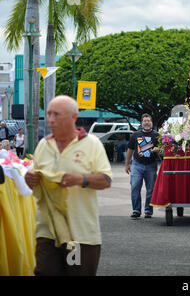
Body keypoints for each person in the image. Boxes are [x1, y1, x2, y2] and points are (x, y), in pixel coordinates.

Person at [24, 95, 112, 276]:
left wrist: (81, 179)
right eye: (48, 114)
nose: (50, 119)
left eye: (56, 114)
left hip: (79, 234)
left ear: (73, 117)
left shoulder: (92, 144)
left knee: (76, 273)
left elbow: (106, 179)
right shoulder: (43, 145)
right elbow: (34, 176)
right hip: (47, 231)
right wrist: (30, 178)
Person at [125, 114, 160, 219]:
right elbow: (130, 149)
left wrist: (159, 149)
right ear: (141, 123)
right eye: (145, 121)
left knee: (151, 189)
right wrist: (127, 164)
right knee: (135, 187)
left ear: (151, 122)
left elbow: (162, 147)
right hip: (137, 165)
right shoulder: (135, 135)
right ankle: (136, 210)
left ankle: (148, 210)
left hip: (151, 165)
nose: (147, 123)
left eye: (148, 121)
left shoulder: (157, 135)